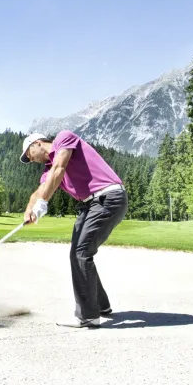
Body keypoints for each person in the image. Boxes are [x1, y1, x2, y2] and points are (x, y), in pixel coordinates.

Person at [20, 130, 128, 328]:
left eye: (28, 153)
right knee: (78, 253)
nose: (30, 158)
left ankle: (88, 316)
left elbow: (60, 168)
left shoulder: (64, 137)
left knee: (81, 253)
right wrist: (29, 208)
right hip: (89, 205)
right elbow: (40, 189)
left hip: (108, 197)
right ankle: (101, 306)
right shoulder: (47, 169)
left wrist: (43, 202)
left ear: (36, 143)